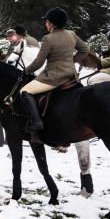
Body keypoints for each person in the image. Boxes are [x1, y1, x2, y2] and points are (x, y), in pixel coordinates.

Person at [19, 8, 90, 143]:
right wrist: (72, 60)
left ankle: (37, 122)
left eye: (47, 21)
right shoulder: (72, 34)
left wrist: (26, 71)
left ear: (51, 24)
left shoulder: (48, 38)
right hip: (71, 75)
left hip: (53, 78)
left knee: (25, 91)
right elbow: (85, 49)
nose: (46, 23)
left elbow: (39, 62)